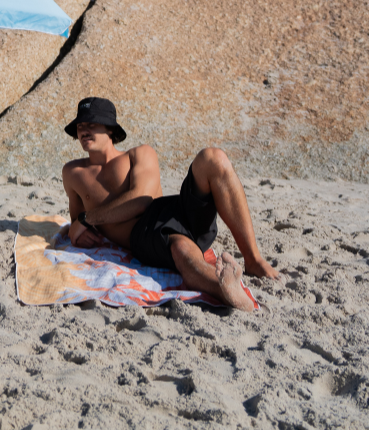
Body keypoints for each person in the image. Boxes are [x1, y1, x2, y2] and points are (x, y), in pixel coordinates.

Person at [60, 98, 279, 311]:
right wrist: (77, 229)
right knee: (182, 249)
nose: (84, 130)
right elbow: (77, 225)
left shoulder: (139, 154)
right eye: (80, 126)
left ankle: (253, 259)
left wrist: (87, 219)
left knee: (213, 158)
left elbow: (141, 200)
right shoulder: (72, 173)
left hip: (173, 208)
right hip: (147, 232)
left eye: (92, 124)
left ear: (109, 129)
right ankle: (224, 288)